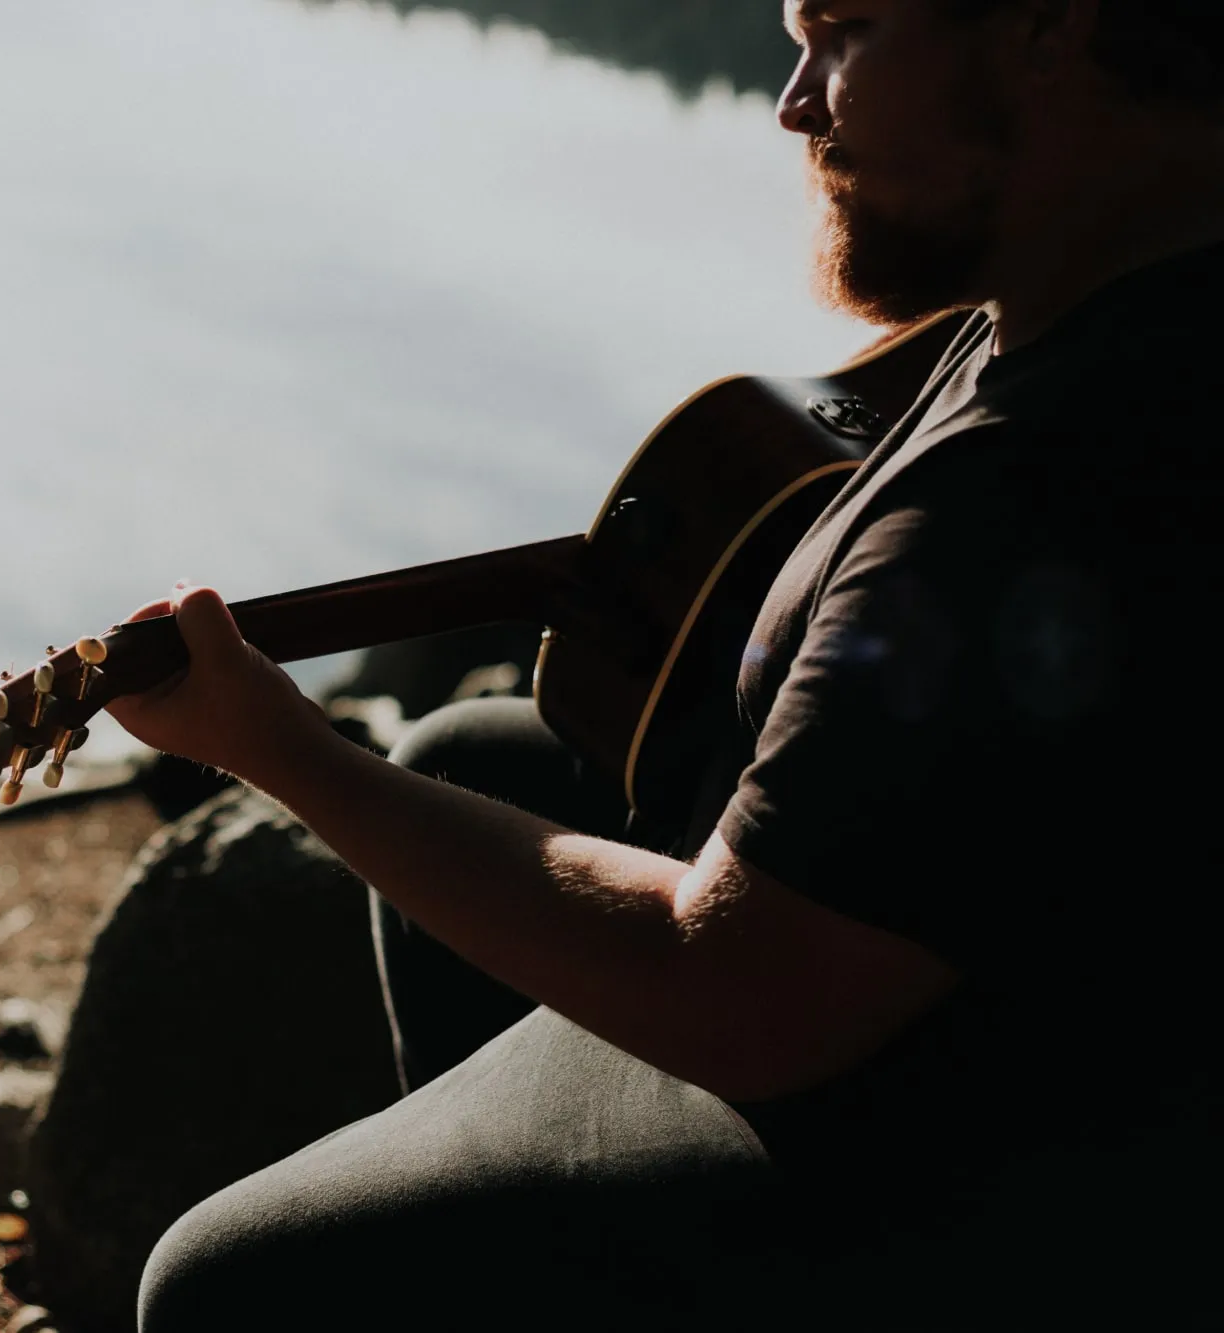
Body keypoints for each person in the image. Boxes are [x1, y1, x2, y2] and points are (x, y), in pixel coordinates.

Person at [106, 2, 1224, 1326]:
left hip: (993, 1145)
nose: (795, 102)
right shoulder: (1085, 282)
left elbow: (741, 994)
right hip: (1029, 980)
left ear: (1050, 29)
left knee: (221, 1282)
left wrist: (282, 749)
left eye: (845, 31)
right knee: (473, 759)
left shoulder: (1047, 480)